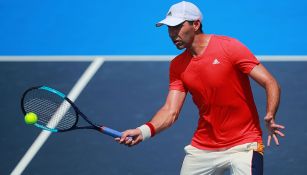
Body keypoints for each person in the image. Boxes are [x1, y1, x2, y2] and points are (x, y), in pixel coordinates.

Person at [116, 1, 285, 175]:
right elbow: (170, 111)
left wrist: (270, 114)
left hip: (244, 143)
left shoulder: (229, 47)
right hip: (203, 148)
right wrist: (143, 131)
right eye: (169, 28)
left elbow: (270, 82)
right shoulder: (177, 66)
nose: (172, 34)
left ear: (196, 24)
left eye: (177, 27)